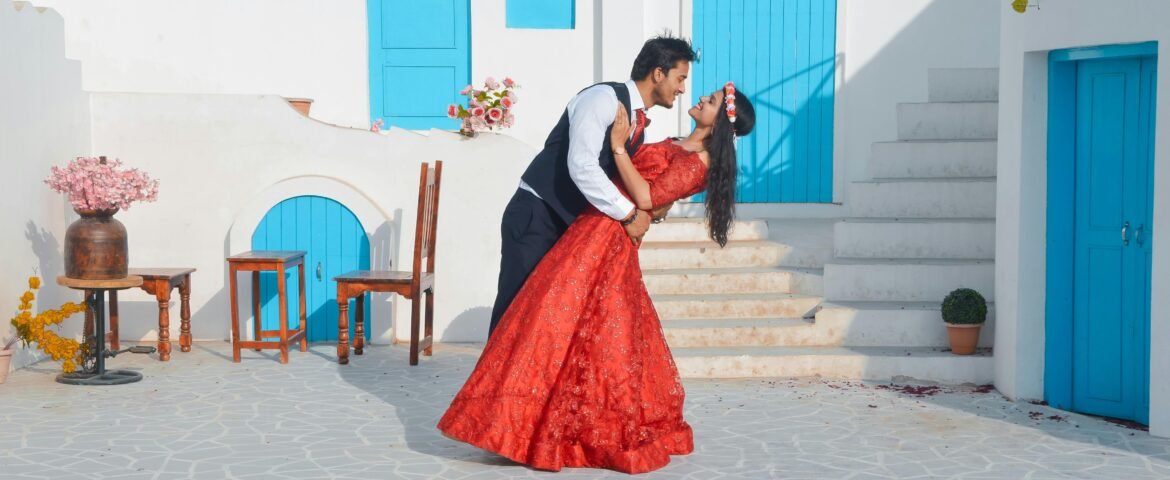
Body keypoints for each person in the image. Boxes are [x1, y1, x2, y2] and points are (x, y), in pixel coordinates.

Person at [438, 83, 757, 474]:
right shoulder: (679, 143)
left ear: (719, 125)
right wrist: (649, 203)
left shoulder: (700, 162)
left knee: (566, 323)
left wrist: (620, 147)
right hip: (593, 226)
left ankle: (548, 426)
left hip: (608, 238)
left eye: (709, 102)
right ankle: (513, 422)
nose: (699, 97)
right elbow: (654, 204)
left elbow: (645, 196)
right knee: (554, 322)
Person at [487, 35, 695, 337]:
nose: (682, 88)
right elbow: (582, 165)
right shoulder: (602, 99)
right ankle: (491, 386)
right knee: (514, 314)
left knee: (544, 324)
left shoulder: (636, 120)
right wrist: (628, 214)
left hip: (568, 226)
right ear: (658, 73)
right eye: (680, 78)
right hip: (537, 216)